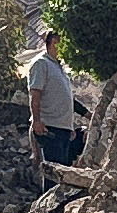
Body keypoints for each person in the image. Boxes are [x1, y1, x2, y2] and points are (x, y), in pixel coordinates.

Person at [26, 31, 83, 167]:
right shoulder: (41, 63)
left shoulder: (59, 68)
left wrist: (72, 124)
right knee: (52, 171)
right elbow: (35, 95)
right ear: (53, 43)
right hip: (49, 128)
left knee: (62, 170)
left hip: (63, 129)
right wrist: (37, 121)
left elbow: (65, 98)